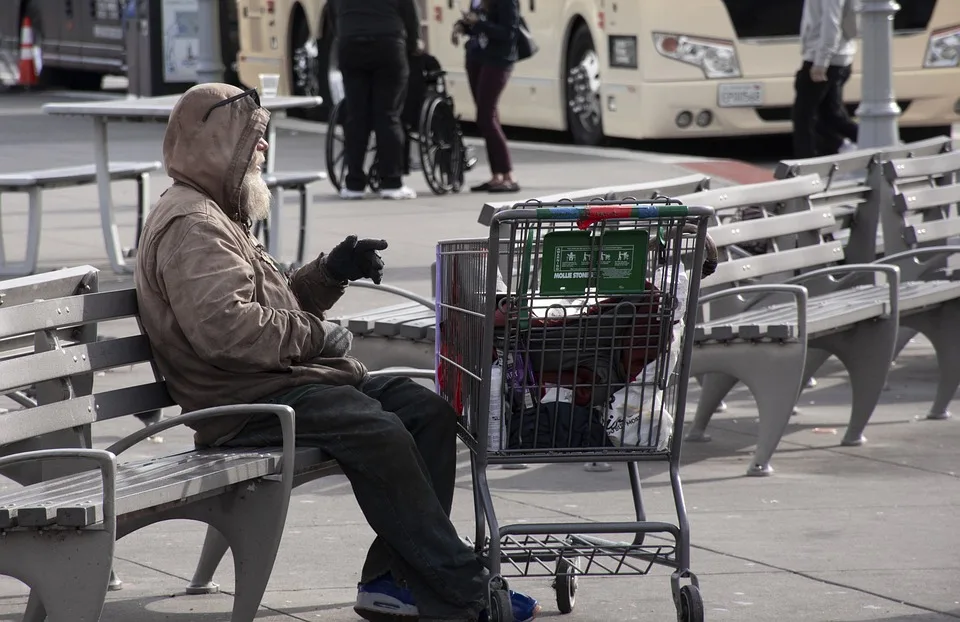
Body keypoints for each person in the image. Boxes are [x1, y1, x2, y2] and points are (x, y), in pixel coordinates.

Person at [134, 83, 539, 622]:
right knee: (378, 430)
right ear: (216, 144)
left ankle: (392, 580)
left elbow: (267, 308)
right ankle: (464, 588)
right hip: (241, 401)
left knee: (425, 412)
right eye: (253, 141)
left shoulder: (217, 212)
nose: (262, 151)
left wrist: (330, 274)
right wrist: (319, 336)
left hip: (277, 381)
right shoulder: (193, 226)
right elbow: (229, 333)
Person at [332, 0, 420, 200]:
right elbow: (410, 13)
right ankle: (391, 182)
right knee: (388, 115)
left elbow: (332, 13)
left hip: (350, 43)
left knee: (356, 116)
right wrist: (413, 44)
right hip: (388, 43)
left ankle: (354, 183)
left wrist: (346, 33)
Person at [453, 0, 521, 194]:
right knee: (488, 117)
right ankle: (497, 175)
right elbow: (478, 26)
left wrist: (478, 23)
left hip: (498, 60)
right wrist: (463, 26)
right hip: (477, 57)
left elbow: (508, 32)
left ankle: (508, 174)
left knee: (485, 116)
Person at [791, 0, 861, 159]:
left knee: (803, 117)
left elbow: (831, 23)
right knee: (831, 115)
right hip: (837, 58)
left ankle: (805, 163)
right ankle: (859, 145)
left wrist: (821, 63)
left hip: (823, 59)